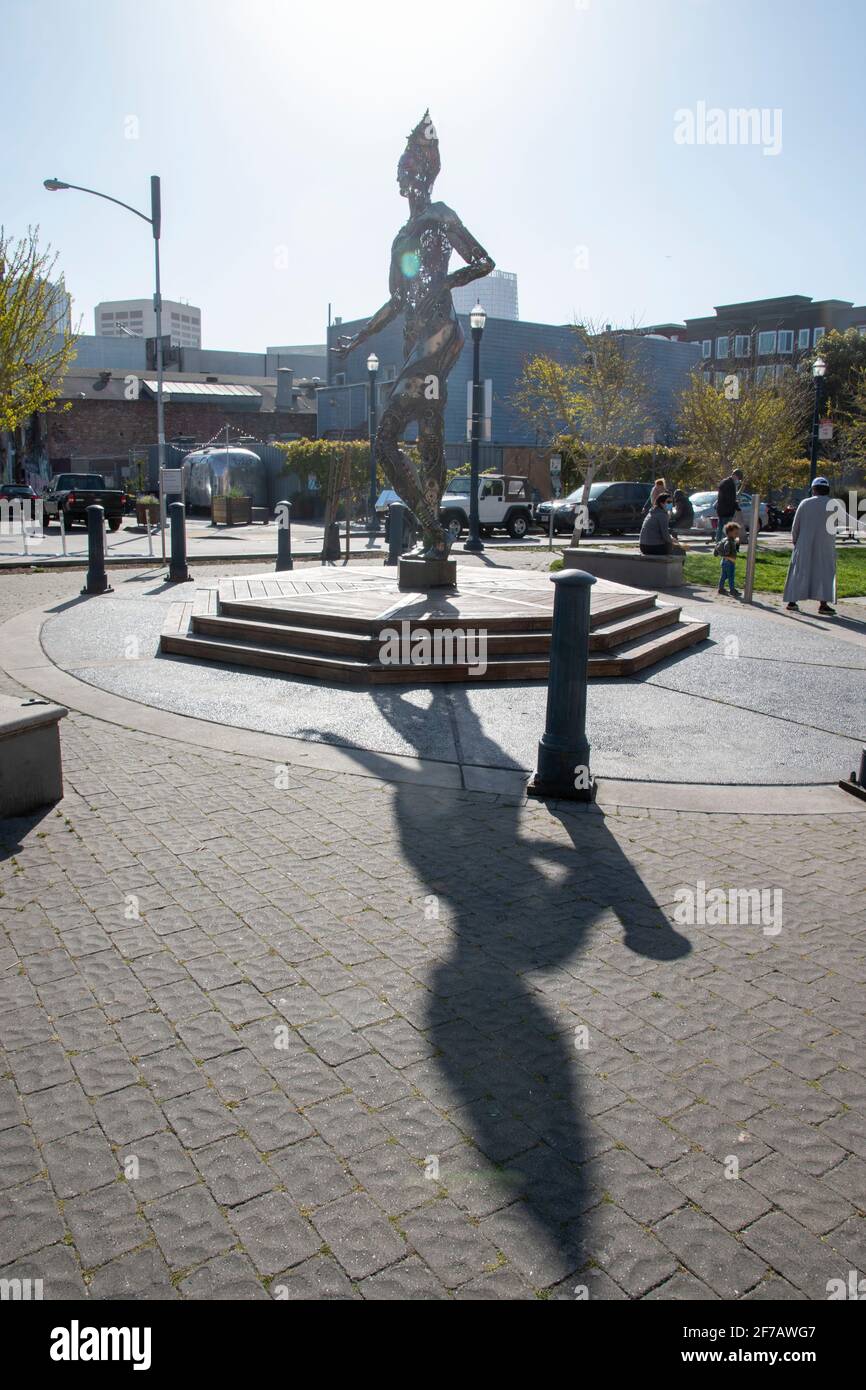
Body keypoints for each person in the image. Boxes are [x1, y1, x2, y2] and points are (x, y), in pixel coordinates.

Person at [783, 477, 838, 616]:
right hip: (825, 545)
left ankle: (792, 601)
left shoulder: (805, 503)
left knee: (799, 571)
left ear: (813, 489)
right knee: (824, 573)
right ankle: (823, 604)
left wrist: (795, 540)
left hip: (804, 543)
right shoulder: (833, 504)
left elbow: (796, 525)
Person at [713, 520, 741, 597]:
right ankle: (732, 590)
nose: (737, 534)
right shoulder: (729, 542)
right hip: (729, 562)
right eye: (735, 533)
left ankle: (721, 588)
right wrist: (728, 555)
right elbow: (727, 550)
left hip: (724, 562)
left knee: (723, 576)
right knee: (731, 577)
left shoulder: (725, 539)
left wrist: (737, 543)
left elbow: (718, 546)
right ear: (729, 532)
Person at [715, 467, 743, 540]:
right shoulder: (729, 484)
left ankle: (718, 543)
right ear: (735, 475)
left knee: (721, 527)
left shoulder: (724, 482)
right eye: (738, 478)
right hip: (727, 510)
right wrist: (736, 506)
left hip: (722, 509)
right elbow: (729, 499)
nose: (738, 480)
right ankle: (722, 543)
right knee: (725, 529)